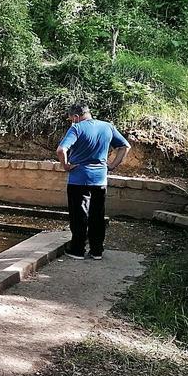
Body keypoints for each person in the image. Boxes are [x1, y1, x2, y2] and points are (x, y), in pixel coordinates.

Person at [56, 104, 131, 260]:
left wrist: (66, 166)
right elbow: (125, 146)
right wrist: (112, 165)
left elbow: (61, 150)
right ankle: (97, 250)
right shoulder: (107, 127)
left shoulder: (77, 128)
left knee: (79, 215)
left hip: (79, 180)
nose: (71, 122)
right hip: (100, 180)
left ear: (76, 117)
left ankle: (77, 250)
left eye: (71, 119)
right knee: (97, 215)